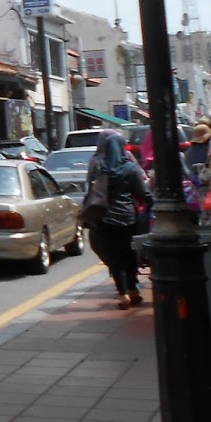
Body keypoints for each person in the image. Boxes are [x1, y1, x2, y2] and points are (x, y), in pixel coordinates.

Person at [87, 133, 147, 310]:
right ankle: (133, 289)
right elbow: (142, 192)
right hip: (128, 217)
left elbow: (91, 188)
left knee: (114, 257)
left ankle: (123, 294)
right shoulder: (131, 168)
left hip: (105, 219)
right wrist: (151, 204)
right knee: (131, 255)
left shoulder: (100, 166)